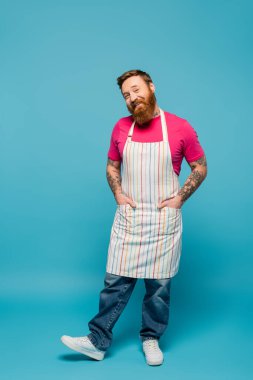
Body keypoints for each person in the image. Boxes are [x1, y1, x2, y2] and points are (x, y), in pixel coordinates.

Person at [61, 69, 207, 366]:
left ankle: (151, 338)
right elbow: (112, 167)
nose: (132, 98)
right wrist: (118, 195)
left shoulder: (180, 128)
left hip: (163, 221)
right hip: (131, 218)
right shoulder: (120, 128)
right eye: (126, 94)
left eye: (137, 90)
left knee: (158, 289)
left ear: (152, 87)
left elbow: (200, 167)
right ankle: (97, 341)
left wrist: (179, 198)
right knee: (115, 282)